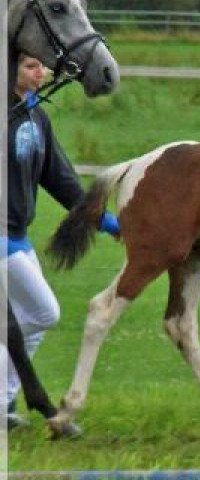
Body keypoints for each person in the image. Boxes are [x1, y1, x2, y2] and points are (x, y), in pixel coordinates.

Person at [2, 54, 120, 429]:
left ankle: (2, 403)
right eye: (30, 66)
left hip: (17, 236)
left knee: (29, 318)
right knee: (43, 312)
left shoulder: (36, 116)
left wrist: (105, 221)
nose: (41, 73)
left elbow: (61, 181)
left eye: (41, 67)